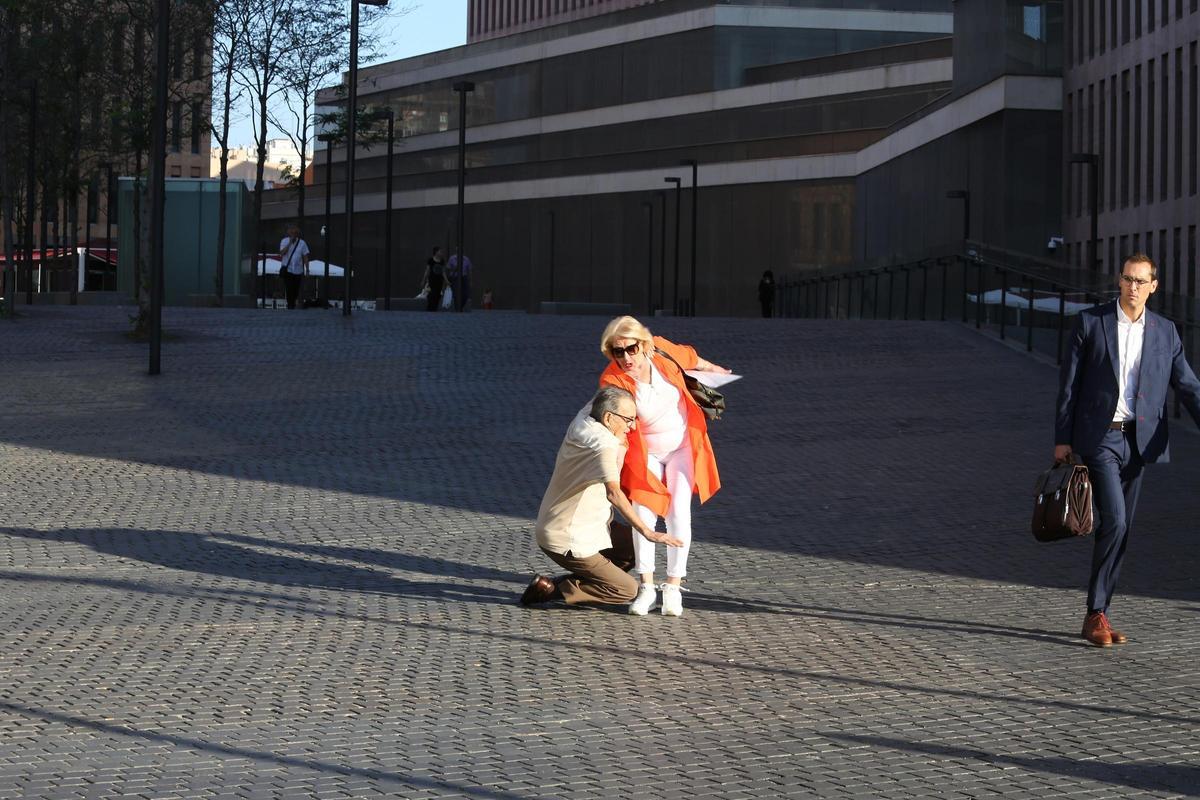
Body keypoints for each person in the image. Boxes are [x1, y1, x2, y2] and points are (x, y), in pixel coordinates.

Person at [1055, 253, 1200, 647]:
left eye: (1140, 281)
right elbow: (1069, 385)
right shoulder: (1091, 323)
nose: (1132, 287)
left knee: (1122, 528)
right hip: (1100, 437)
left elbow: (1187, 385)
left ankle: (1099, 612)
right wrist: (1062, 439)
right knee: (1115, 520)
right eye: (1126, 279)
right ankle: (1095, 613)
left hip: (1140, 441)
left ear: (1153, 286)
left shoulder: (1166, 332)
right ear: (1119, 282)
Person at [598, 316, 730, 616]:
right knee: (644, 512)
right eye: (617, 352)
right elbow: (616, 427)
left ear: (643, 345)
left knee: (678, 511)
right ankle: (646, 586)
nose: (626, 358)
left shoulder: (661, 351)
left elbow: (692, 358)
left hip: (683, 444)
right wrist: (613, 470)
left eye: (631, 349)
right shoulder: (612, 380)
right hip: (645, 453)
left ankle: (672, 586)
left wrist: (716, 371)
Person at [522, 387, 681, 607]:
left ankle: (592, 577)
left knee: (633, 546)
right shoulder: (603, 446)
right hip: (568, 537)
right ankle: (554, 590)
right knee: (625, 589)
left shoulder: (583, 418)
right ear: (608, 418)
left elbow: (602, 393)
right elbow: (614, 493)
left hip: (587, 526)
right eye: (628, 420)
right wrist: (647, 531)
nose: (632, 426)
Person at [278, 225, 310, 310]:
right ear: (288, 232)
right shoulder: (284, 241)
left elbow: (305, 257)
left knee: (295, 289)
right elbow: (282, 253)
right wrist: (289, 243)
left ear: (297, 233)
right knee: (289, 288)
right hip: (287, 269)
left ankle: (292, 303)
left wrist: (307, 270)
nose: (293, 233)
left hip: (298, 270)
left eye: (294, 232)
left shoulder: (302, 243)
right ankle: (290, 305)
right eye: (291, 231)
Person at [424, 247, 446, 312]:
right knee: (433, 293)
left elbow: (443, 271)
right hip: (432, 279)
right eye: (440, 251)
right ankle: (430, 308)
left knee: (438, 294)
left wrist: (446, 280)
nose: (441, 253)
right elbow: (427, 270)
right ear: (436, 252)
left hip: (440, 280)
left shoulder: (442, 261)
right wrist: (424, 279)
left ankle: (434, 308)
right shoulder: (430, 260)